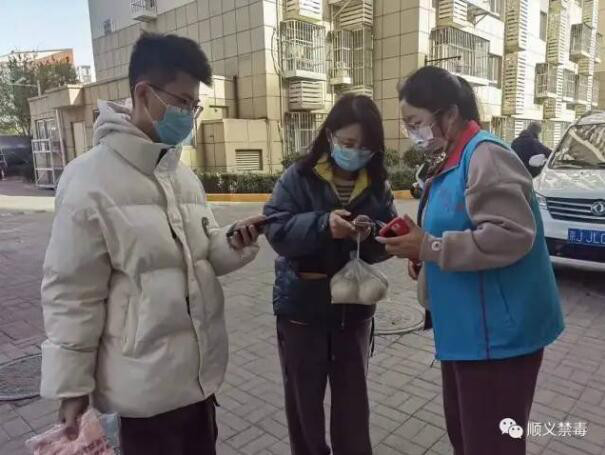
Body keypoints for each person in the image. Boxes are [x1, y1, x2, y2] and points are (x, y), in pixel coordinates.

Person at [40, 33, 264, 455]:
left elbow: (200, 256)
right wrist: (71, 387)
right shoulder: (88, 181)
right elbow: (71, 292)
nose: (189, 116)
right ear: (144, 94)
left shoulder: (182, 176)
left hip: (198, 384)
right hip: (141, 397)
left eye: (194, 105)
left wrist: (233, 243)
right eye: (182, 102)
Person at [377, 66, 564, 455]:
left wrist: (431, 247)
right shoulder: (453, 159)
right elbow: (455, 230)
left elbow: (511, 235)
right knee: (468, 439)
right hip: (468, 335)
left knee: (490, 445)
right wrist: (422, 254)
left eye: (416, 123)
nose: (412, 133)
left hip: (498, 342)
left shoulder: (486, 156)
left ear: (450, 114)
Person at [263, 94, 397, 455]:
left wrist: (372, 233)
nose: (355, 153)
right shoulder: (298, 177)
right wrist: (323, 225)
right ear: (330, 135)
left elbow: (388, 238)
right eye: (348, 143)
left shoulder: (377, 184)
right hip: (302, 310)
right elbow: (276, 229)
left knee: (353, 405)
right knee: (304, 405)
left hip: (354, 311)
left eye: (364, 147)